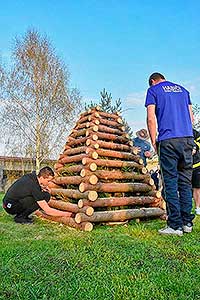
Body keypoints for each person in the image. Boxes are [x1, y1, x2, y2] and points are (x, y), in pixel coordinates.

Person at [145, 72, 194, 236]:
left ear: (153, 81)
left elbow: (151, 118)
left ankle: (175, 225)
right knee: (186, 183)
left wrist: (153, 141)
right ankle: (187, 222)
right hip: (187, 139)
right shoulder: (184, 90)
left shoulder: (154, 90)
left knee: (170, 182)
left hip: (168, 141)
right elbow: (191, 117)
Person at [2, 166, 72, 224]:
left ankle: (22, 216)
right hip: (10, 207)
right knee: (44, 196)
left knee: (45, 195)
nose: (49, 183)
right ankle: (20, 218)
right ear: (41, 178)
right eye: (48, 181)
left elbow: (28, 188)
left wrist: (42, 187)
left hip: (7, 203)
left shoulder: (32, 176)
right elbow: (48, 210)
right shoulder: (34, 187)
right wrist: (67, 214)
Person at [192, 128, 200, 215]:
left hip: (196, 164)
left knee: (197, 187)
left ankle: (198, 207)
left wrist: (195, 147)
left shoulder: (192, 130)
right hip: (182, 166)